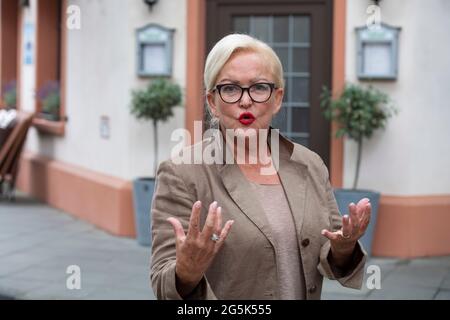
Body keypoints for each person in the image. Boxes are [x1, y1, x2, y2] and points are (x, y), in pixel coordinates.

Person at [150, 34, 370, 300]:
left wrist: (345, 247)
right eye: (230, 88)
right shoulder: (182, 172)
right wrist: (186, 272)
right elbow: (163, 285)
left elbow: (330, 252)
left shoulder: (310, 164)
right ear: (212, 102)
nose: (245, 101)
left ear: (277, 99)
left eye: (258, 87)